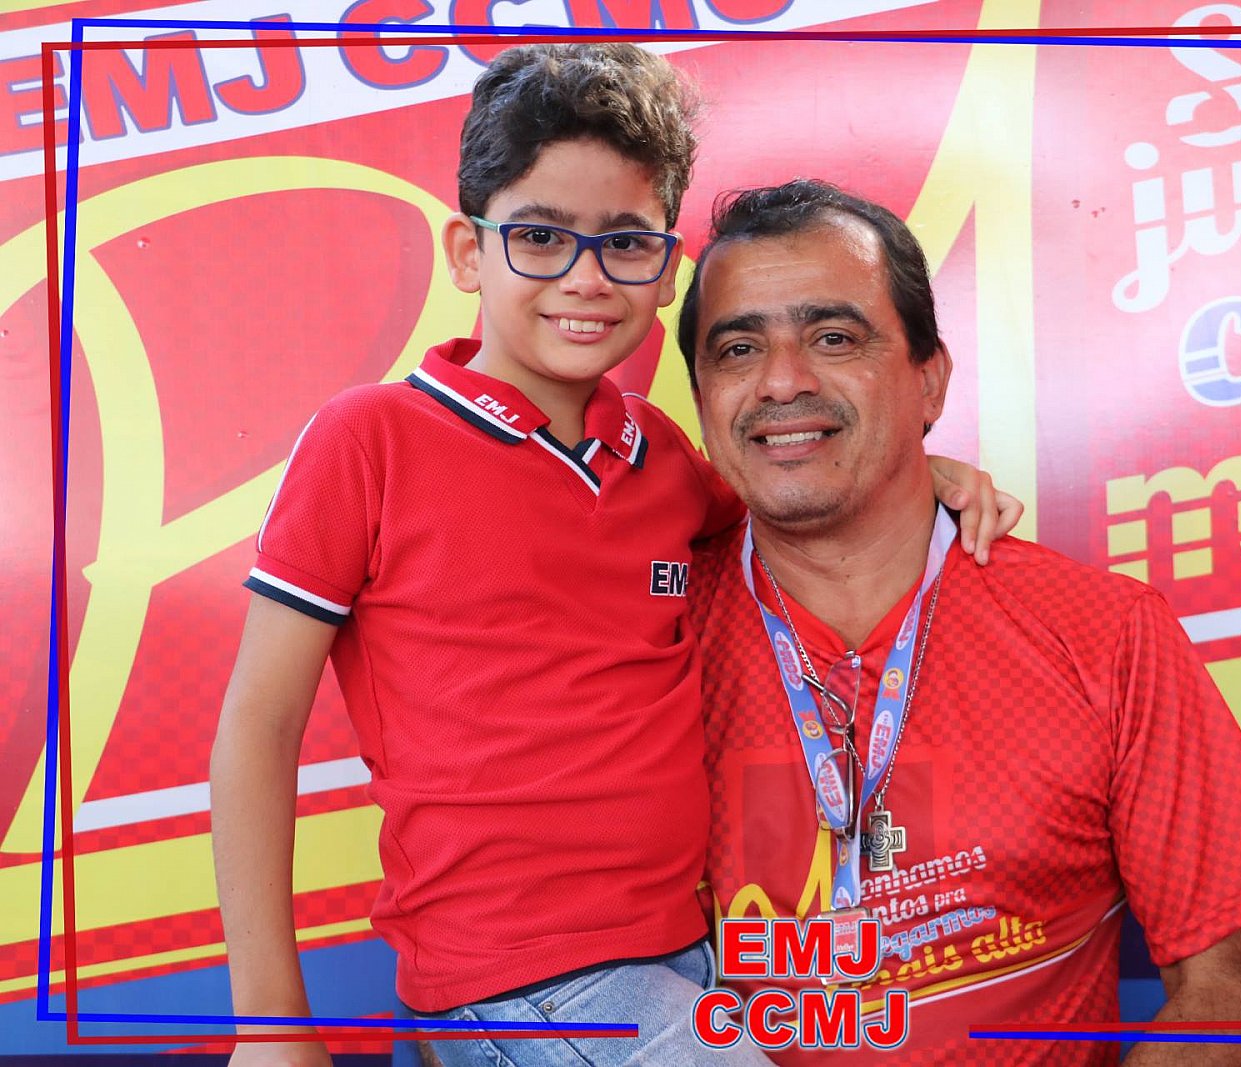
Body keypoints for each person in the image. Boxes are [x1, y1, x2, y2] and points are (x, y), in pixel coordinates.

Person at [209, 48, 1011, 1067]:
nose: (585, 278)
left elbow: (793, 500)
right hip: (517, 979)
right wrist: (271, 1024)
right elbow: (258, 726)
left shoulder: (660, 458)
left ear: (667, 269)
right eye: (540, 236)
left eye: (625, 242)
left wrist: (915, 469)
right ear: (467, 251)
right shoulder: (370, 440)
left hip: (687, 951)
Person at [678, 179, 1241, 1065]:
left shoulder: (1103, 633)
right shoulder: (636, 641)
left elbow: (1239, 987)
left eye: (834, 338)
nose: (782, 380)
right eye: (739, 348)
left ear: (929, 380)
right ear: (701, 399)